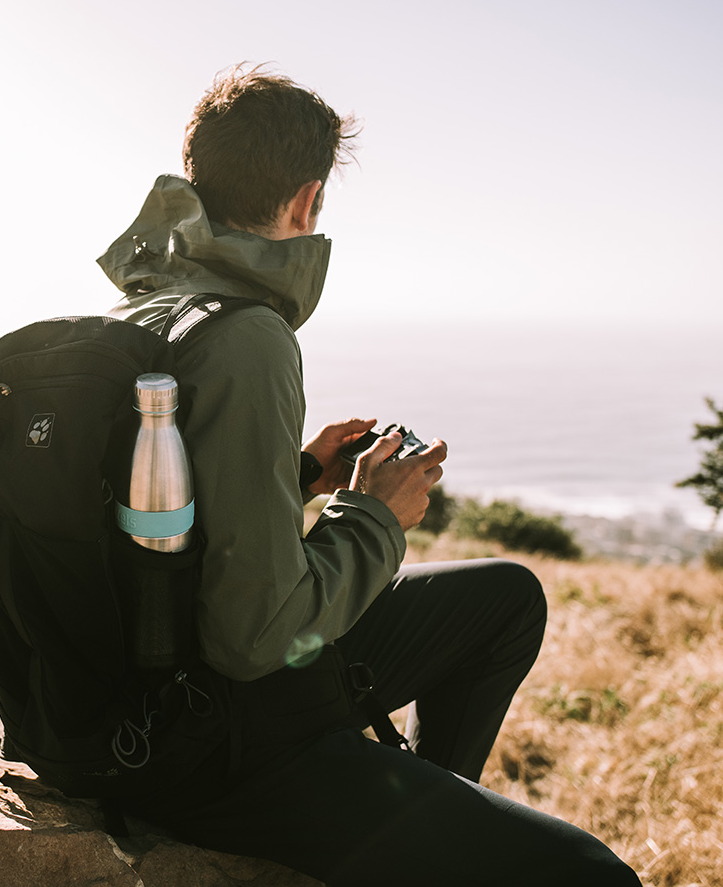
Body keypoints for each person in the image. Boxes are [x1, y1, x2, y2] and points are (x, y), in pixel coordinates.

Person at [97, 65, 639, 886]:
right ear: (307, 201)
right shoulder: (248, 338)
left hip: (115, 702)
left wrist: (299, 474)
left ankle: (426, 832)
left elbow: (151, 518)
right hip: (208, 741)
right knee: (591, 876)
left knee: (505, 596)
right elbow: (257, 639)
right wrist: (372, 516)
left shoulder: (137, 315)